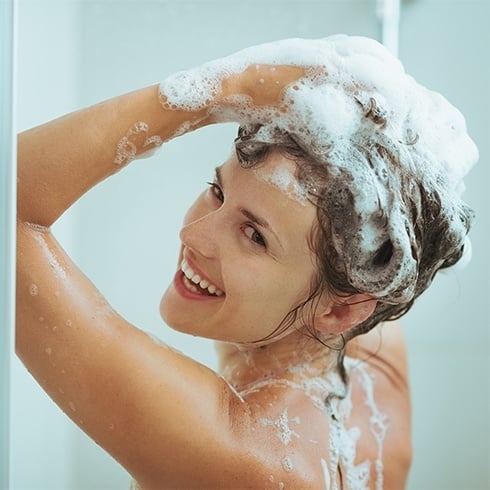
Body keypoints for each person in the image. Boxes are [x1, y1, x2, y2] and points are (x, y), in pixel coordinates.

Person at [16, 36, 476, 489]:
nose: (192, 235)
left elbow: (6, 210)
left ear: (341, 311)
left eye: (254, 236)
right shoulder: (375, 369)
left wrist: (222, 89)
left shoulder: (239, 451)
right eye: (217, 191)